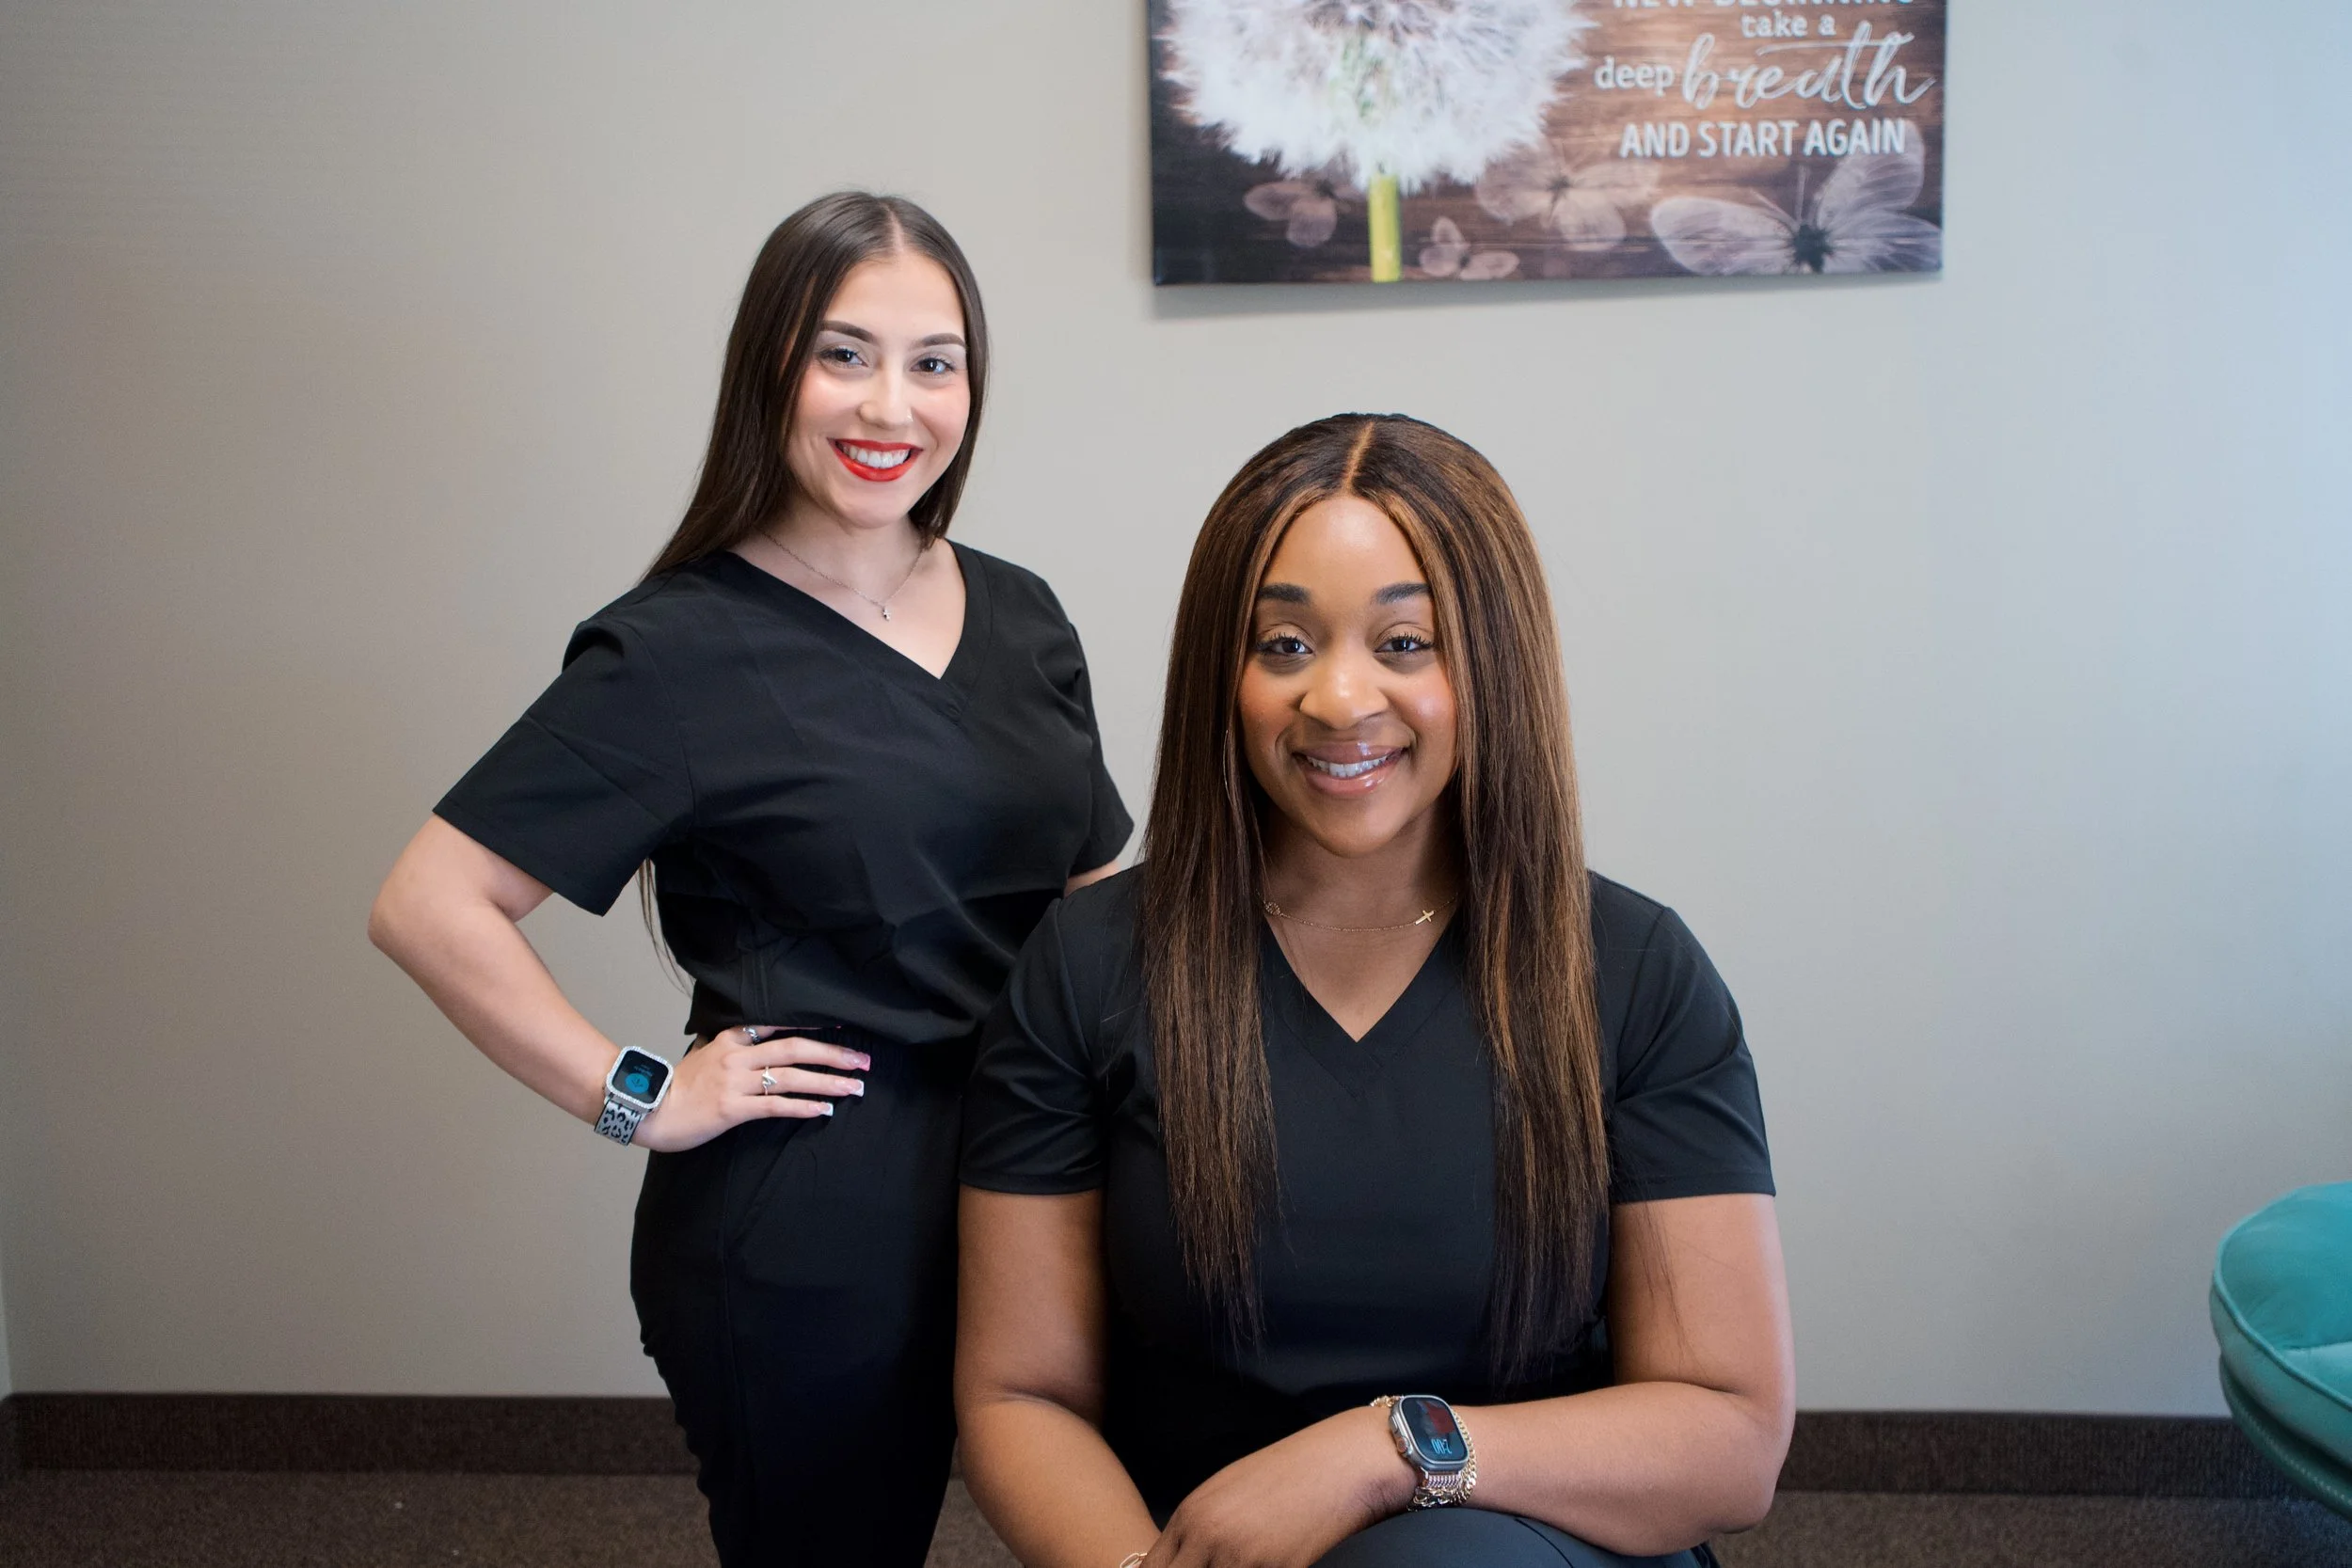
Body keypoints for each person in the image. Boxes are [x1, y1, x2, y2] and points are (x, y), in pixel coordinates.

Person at [368, 191, 1130, 1567]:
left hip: (1034, 1185)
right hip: (814, 1223)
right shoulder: (676, 650)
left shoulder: (1023, 614)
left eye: (933, 360)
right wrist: (638, 1096)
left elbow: (1092, 895)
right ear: (769, 367)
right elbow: (428, 901)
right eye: (843, 353)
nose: (889, 401)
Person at [956, 414, 1791, 1568]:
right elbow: (1020, 1393)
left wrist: (1385, 1450)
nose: (1339, 699)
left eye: (1404, 643)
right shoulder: (1087, 962)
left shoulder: (1637, 970)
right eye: (1284, 643)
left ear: (1488, 661)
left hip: (1544, 1537)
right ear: (1224, 671)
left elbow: (1728, 1434)